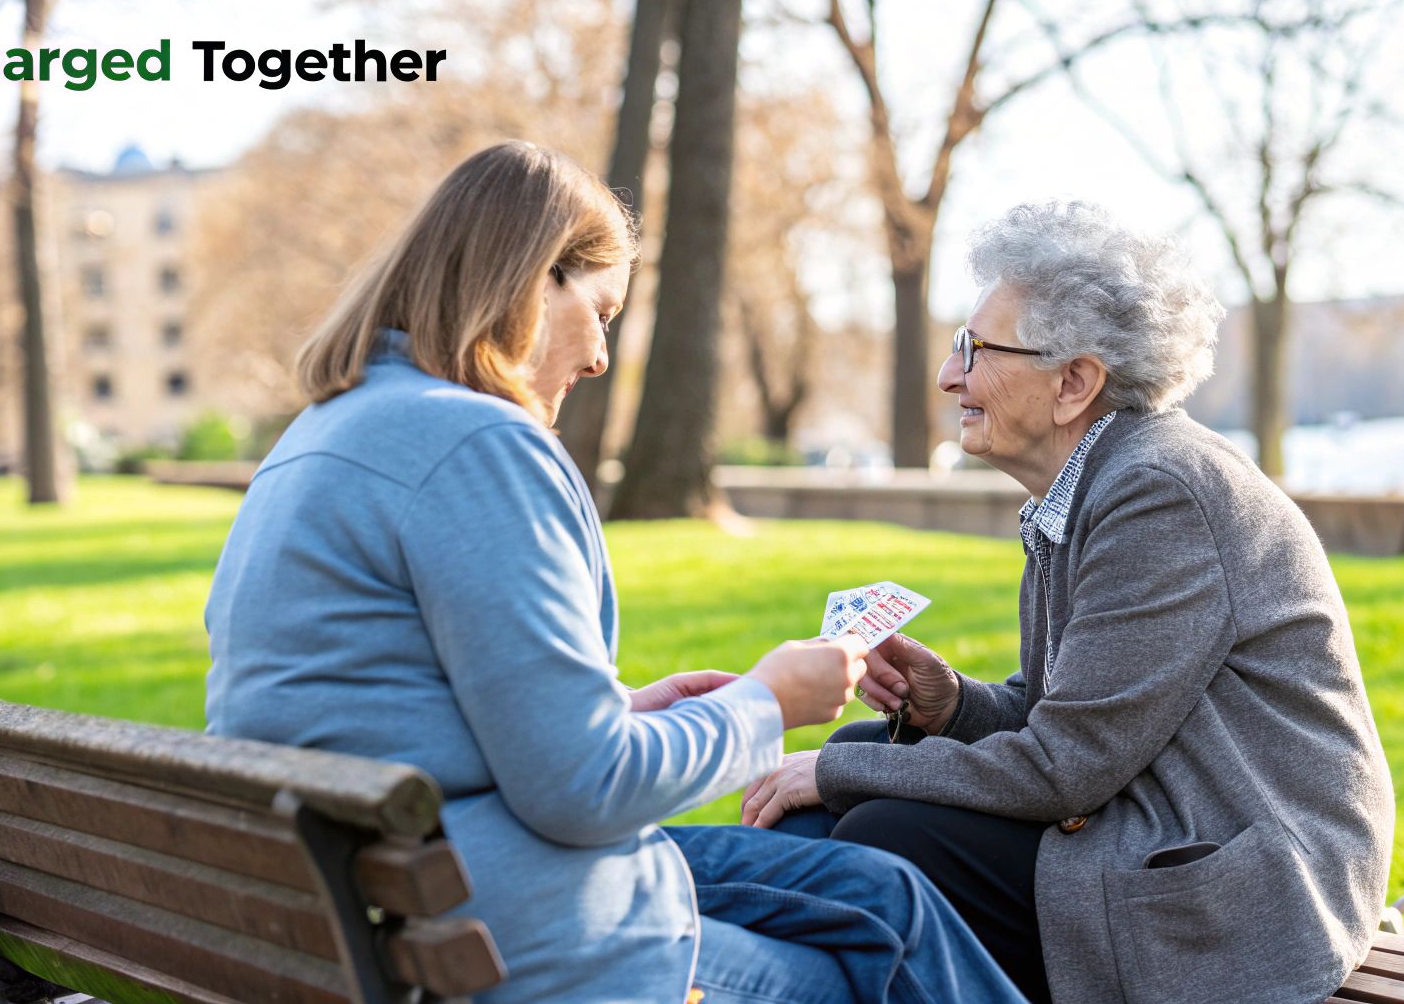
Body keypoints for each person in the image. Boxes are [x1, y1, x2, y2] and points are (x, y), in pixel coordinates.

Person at [203, 141, 1024, 1004]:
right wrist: (768, 703)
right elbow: (585, 791)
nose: (600, 356)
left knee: (880, 893)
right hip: (507, 929)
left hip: (384, 895)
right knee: (872, 949)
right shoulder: (482, 443)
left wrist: (620, 711)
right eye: (601, 310)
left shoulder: (322, 435)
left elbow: (369, 703)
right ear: (534, 280)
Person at [745, 201, 1396, 1004]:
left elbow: (1066, 768)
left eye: (975, 350)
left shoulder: (1159, 492)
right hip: (1151, 820)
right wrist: (949, 707)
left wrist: (840, 770)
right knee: (841, 808)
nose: (951, 375)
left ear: (1074, 383)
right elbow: (1067, 715)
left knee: (885, 829)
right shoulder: (1087, 486)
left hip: (1241, 883)